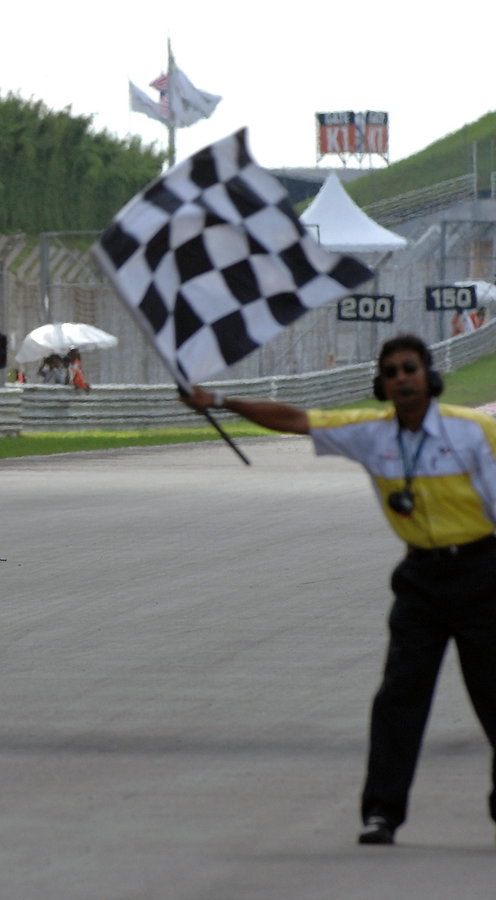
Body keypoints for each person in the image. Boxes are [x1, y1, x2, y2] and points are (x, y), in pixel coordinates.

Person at [181, 334, 496, 847]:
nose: (401, 378)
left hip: (482, 571)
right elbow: (293, 419)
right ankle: (382, 813)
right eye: (391, 371)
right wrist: (217, 402)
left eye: (409, 368)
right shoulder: (371, 435)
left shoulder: (474, 432)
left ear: (429, 375)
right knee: (398, 697)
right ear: (382, 385)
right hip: (420, 579)